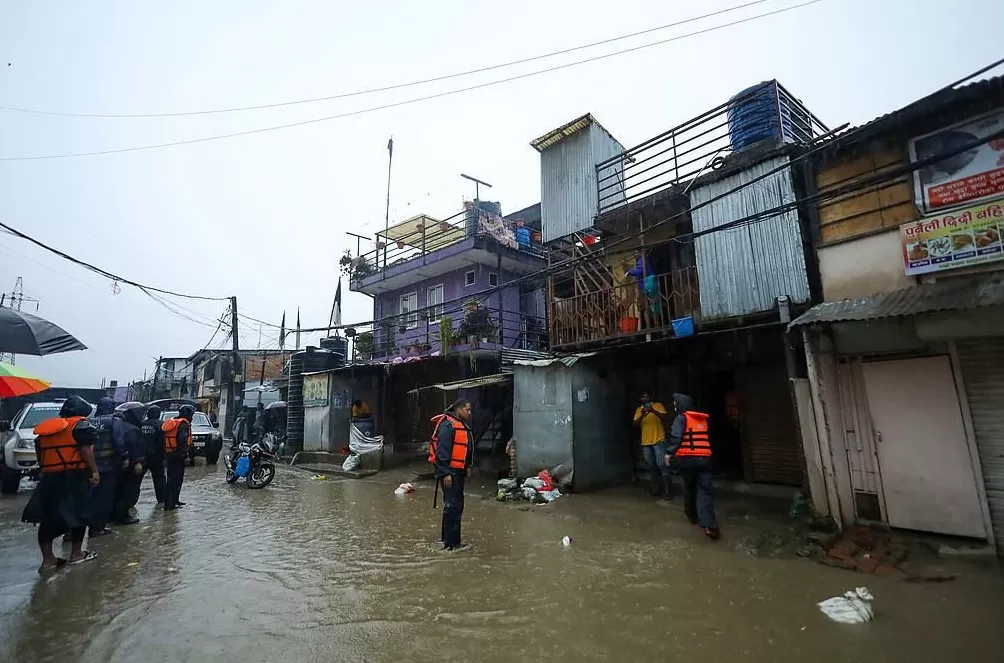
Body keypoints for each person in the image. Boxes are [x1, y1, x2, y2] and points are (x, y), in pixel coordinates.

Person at [21, 395, 100, 570]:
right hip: (75, 476)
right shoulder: (81, 425)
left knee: (48, 517)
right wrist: (94, 471)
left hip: (50, 477)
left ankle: (48, 560)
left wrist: (45, 469)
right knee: (79, 514)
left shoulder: (47, 429)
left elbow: (40, 452)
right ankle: (76, 554)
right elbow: (85, 449)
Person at [664, 393, 720, 540]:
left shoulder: (681, 418)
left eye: (675, 403)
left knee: (690, 487)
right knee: (705, 491)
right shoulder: (702, 419)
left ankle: (692, 516)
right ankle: (710, 525)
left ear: (680, 405)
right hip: (705, 458)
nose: (674, 406)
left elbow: (676, 437)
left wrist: (669, 453)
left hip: (688, 458)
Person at [429, 399, 474, 551]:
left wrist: (467, 466)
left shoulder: (460, 424)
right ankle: (452, 545)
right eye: (467, 409)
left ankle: (448, 541)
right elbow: (442, 452)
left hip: (458, 471)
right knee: (453, 507)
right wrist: (445, 474)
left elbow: (465, 449)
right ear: (459, 409)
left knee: (454, 506)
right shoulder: (448, 425)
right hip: (450, 472)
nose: (470, 413)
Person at [88, 397, 127, 537]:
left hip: (89, 466)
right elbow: (119, 442)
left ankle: (77, 530)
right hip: (108, 466)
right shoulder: (114, 421)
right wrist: (124, 457)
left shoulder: (88, 421)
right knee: (104, 498)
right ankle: (97, 528)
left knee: (89, 498)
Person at [111, 402, 145, 525]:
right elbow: (134, 446)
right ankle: (123, 516)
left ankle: (114, 515)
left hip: (116, 464)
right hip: (129, 465)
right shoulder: (132, 429)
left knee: (117, 490)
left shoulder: (118, 426)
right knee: (129, 491)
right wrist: (137, 462)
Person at [633, 392, 672, 500]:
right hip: (646, 442)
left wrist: (652, 410)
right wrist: (642, 415)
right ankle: (657, 489)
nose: (645, 398)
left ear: (650, 397)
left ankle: (668, 491)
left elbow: (665, 418)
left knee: (662, 465)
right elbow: (635, 424)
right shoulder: (639, 409)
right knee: (651, 466)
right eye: (643, 396)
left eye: (647, 396)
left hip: (659, 439)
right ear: (640, 399)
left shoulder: (658, 405)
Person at [162, 404, 194, 511]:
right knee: (175, 480)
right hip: (178, 456)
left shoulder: (174, 422)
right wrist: (186, 455)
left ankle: (174, 501)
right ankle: (170, 504)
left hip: (170, 454)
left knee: (172, 479)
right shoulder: (183, 424)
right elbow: (182, 440)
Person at [140, 404, 168, 504]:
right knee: (159, 479)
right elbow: (164, 441)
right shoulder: (162, 425)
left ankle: (131, 502)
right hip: (157, 457)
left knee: (136, 480)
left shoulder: (141, 424)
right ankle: (161, 500)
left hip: (141, 457)